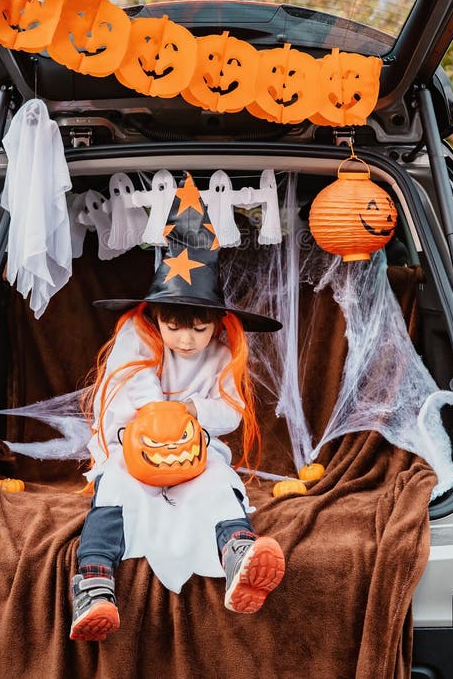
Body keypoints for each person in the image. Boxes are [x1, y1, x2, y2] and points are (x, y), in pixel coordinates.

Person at [70, 173, 284, 643]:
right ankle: (94, 582)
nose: (186, 340)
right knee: (116, 495)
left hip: (196, 453)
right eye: (174, 325)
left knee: (217, 486)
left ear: (217, 324)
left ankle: (239, 555)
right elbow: (133, 396)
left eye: (199, 328)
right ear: (154, 317)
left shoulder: (224, 351)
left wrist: (191, 412)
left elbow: (228, 413)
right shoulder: (134, 337)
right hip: (133, 447)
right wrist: (162, 418)